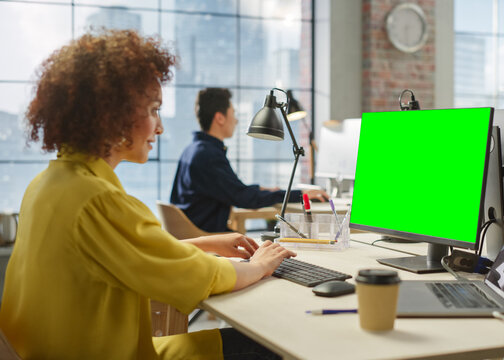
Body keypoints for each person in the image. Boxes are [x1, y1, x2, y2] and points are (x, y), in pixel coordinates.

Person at [0, 29, 294, 359]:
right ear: (112, 114)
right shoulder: (97, 200)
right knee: (270, 346)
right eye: (154, 109)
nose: (160, 127)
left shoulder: (48, 184)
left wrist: (208, 242)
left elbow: (120, 254)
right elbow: (195, 277)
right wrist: (259, 265)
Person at [170, 87, 328, 233]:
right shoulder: (207, 155)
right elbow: (244, 198)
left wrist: (261, 189)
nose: (236, 120)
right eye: (233, 113)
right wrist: (301, 194)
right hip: (207, 237)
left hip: (194, 235)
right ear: (220, 118)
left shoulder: (193, 150)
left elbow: (234, 190)